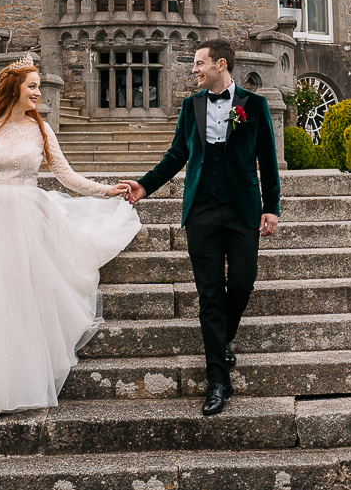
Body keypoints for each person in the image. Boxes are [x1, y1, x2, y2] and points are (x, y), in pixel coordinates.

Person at [0, 53, 141, 417]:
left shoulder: (41, 129)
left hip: (26, 218)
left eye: (39, 87)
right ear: (15, 89)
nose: (39, 93)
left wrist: (108, 190)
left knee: (20, 298)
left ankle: (17, 383)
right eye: (33, 87)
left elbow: (66, 175)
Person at [114, 38, 280, 416]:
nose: (194, 69)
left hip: (242, 211)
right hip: (202, 212)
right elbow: (177, 154)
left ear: (221, 65)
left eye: (199, 63)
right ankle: (218, 380)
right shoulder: (191, 107)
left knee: (242, 282)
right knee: (209, 296)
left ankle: (221, 340)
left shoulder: (255, 105)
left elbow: (267, 158)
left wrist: (271, 208)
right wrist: (145, 185)